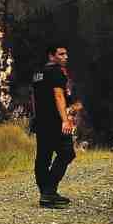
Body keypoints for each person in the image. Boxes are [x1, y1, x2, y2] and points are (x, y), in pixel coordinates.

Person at [32, 45, 77, 208]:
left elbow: (34, 98)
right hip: (55, 121)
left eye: (66, 53)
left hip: (41, 122)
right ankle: (49, 192)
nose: (66, 57)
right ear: (51, 56)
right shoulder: (56, 72)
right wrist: (65, 120)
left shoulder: (37, 74)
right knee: (67, 153)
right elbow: (58, 95)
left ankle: (46, 193)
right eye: (61, 54)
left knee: (43, 156)